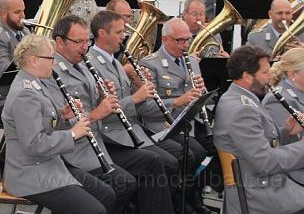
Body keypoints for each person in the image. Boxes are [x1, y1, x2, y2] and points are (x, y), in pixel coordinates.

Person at [49, 15, 172, 214]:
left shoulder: (80, 64)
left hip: (97, 144)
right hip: (75, 152)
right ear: (60, 41)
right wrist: (99, 112)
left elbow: (95, 104)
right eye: (78, 42)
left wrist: (103, 94)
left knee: (141, 173)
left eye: (86, 41)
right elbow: (60, 120)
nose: (84, 47)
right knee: (124, 184)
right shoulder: (53, 70)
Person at [88, 11, 203, 213]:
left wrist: (142, 88)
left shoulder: (114, 60)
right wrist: (137, 97)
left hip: (131, 130)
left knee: (174, 158)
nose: (125, 36)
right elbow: (105, 109)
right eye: (120, 31)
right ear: (102, 33)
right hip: (111, 135)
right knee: (160, 162)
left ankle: (169, 204)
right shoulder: (92, 63)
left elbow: (138, 106)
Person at [2, 33, 113, 214]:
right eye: (51, 58)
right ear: (34, 60)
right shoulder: (25, 93)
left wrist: (64, 118)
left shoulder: (37, 83)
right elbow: (33, 144)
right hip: (31, 174)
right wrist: (72, 133)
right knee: (94, 210)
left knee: (107, 195)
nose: (54, 63)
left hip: (50, 165)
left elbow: (45, 126)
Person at [213, 45, 304, 214]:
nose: (270, 77)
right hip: (259, 194)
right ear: (247, 76)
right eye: (264, 73)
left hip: (266, 185)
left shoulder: (241, 99)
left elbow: (265, 144)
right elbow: (266, 163)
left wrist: (286, 131)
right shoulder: (241, 109)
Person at [139, 18, 211, 213]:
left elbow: (199, 97)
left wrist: (202, 92)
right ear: (165, 39)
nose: (186, 45)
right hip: (162, 125)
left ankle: (187, 194)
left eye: (188, 39)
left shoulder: (193, 62)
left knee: (207, 149)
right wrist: (178, 101)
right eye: (180, 40)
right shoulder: (150, 64)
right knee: (189, 154)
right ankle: (178, 198)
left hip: (189, 123)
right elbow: (144, 108)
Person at [262, 47, 304, 185]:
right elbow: (284, 143)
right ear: (292, 73)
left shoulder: (298, 92)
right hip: (292, 171)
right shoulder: (278, 99)